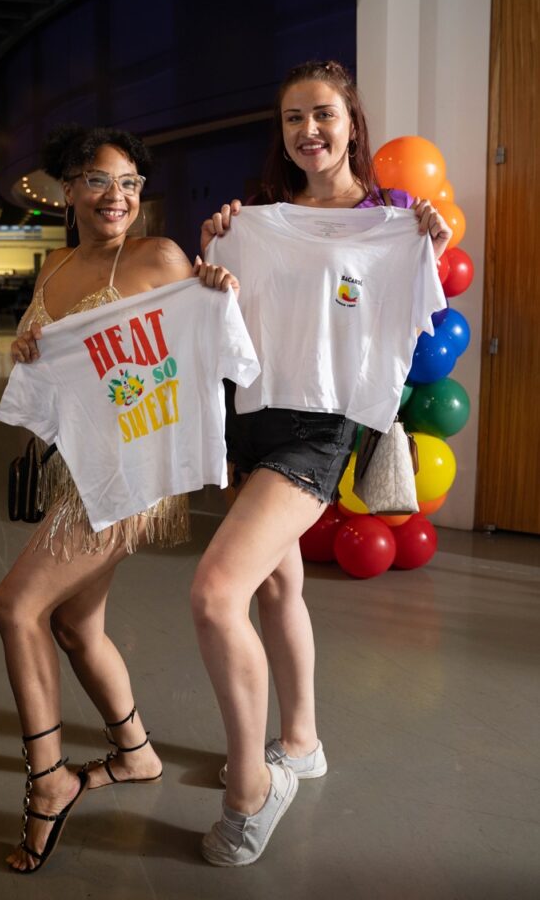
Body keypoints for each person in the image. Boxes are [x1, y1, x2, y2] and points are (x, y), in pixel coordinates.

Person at [192, 59, 452, 866]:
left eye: (324, 115)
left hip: (318, 428)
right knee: (278, 581)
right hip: (255, 420)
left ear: (351, 124)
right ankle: (300, 742)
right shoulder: (258, 218)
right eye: (294, 118)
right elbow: (221, 315)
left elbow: (418, 315)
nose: (309, 130)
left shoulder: (390, 219)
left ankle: (253, 787)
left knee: (213, 594)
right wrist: (215, 257)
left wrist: (427, 247)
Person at [0, 124, 237, 874]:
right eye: (99, 181)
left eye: (130, 183)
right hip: (77, 469)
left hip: (130, 479)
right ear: (68, 189)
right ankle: (134, 755)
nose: (117, 197)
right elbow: (42, 352)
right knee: (73, 626)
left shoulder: (159, 259)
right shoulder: (56, 264)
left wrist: (217, 293)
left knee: (15, 606)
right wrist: (28, 349)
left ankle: (50, 784)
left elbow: (201, 334)